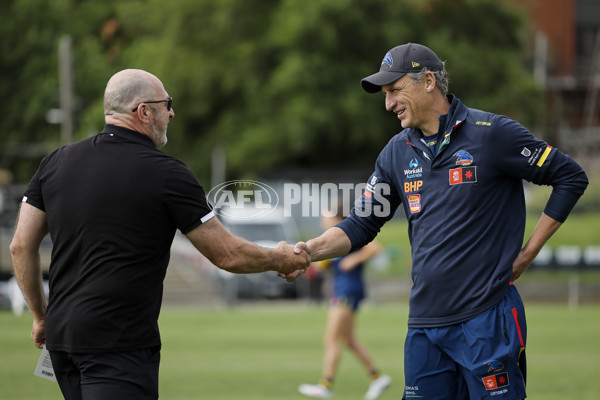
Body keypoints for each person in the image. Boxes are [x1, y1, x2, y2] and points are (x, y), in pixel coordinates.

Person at [285, 43, 589, 399]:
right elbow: (360, 224)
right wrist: (308, 250)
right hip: (425, 328)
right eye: (385, 95)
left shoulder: (491, 133)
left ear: (428, 81)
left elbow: (570, 177)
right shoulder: (395, 153)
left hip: (487, 320)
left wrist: (528, 253)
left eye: (394, 91)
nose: (388, 104)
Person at [10, 68, 310, 400]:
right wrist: (280, 258)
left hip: (63, 341)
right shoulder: (167, 173)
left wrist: (41, 315)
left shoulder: (56, 162)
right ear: (143, 111)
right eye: (167, 104)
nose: (172, 112)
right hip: (117, 344)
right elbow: (227, 254)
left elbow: (21, 245)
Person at [298, 206, 391, 400]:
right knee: (348, 339)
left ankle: (326, 385)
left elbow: (375, 248)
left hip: (347, 290)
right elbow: (325, 266)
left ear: (339, 217)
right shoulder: (332, 239)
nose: (323, 220)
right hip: (343, 289)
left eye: (327, 216)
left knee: (331, 339)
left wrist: (355, 259)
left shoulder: (350, 233)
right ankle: (377, 377)